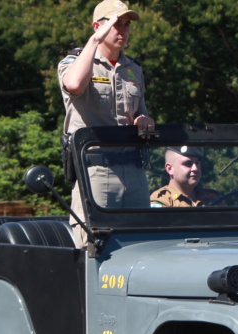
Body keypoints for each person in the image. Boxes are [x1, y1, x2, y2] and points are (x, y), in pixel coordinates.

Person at [58, 0, 155, 246]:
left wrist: (144, 120)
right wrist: (94, 42)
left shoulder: (133, 69)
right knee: (95, 244)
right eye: (115, 24)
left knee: (143, 241)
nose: (122, 30)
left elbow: (141, 113)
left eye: (126, 25)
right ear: (97, 27)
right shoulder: (76, 62)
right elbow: (74, 85)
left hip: (133, 170)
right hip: (96, 169)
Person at [150, 146, 222, 207]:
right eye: (188, 164)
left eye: (197, 163)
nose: (195, 168)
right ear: (170, 168)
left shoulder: (212, 198)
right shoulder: (162, 200)